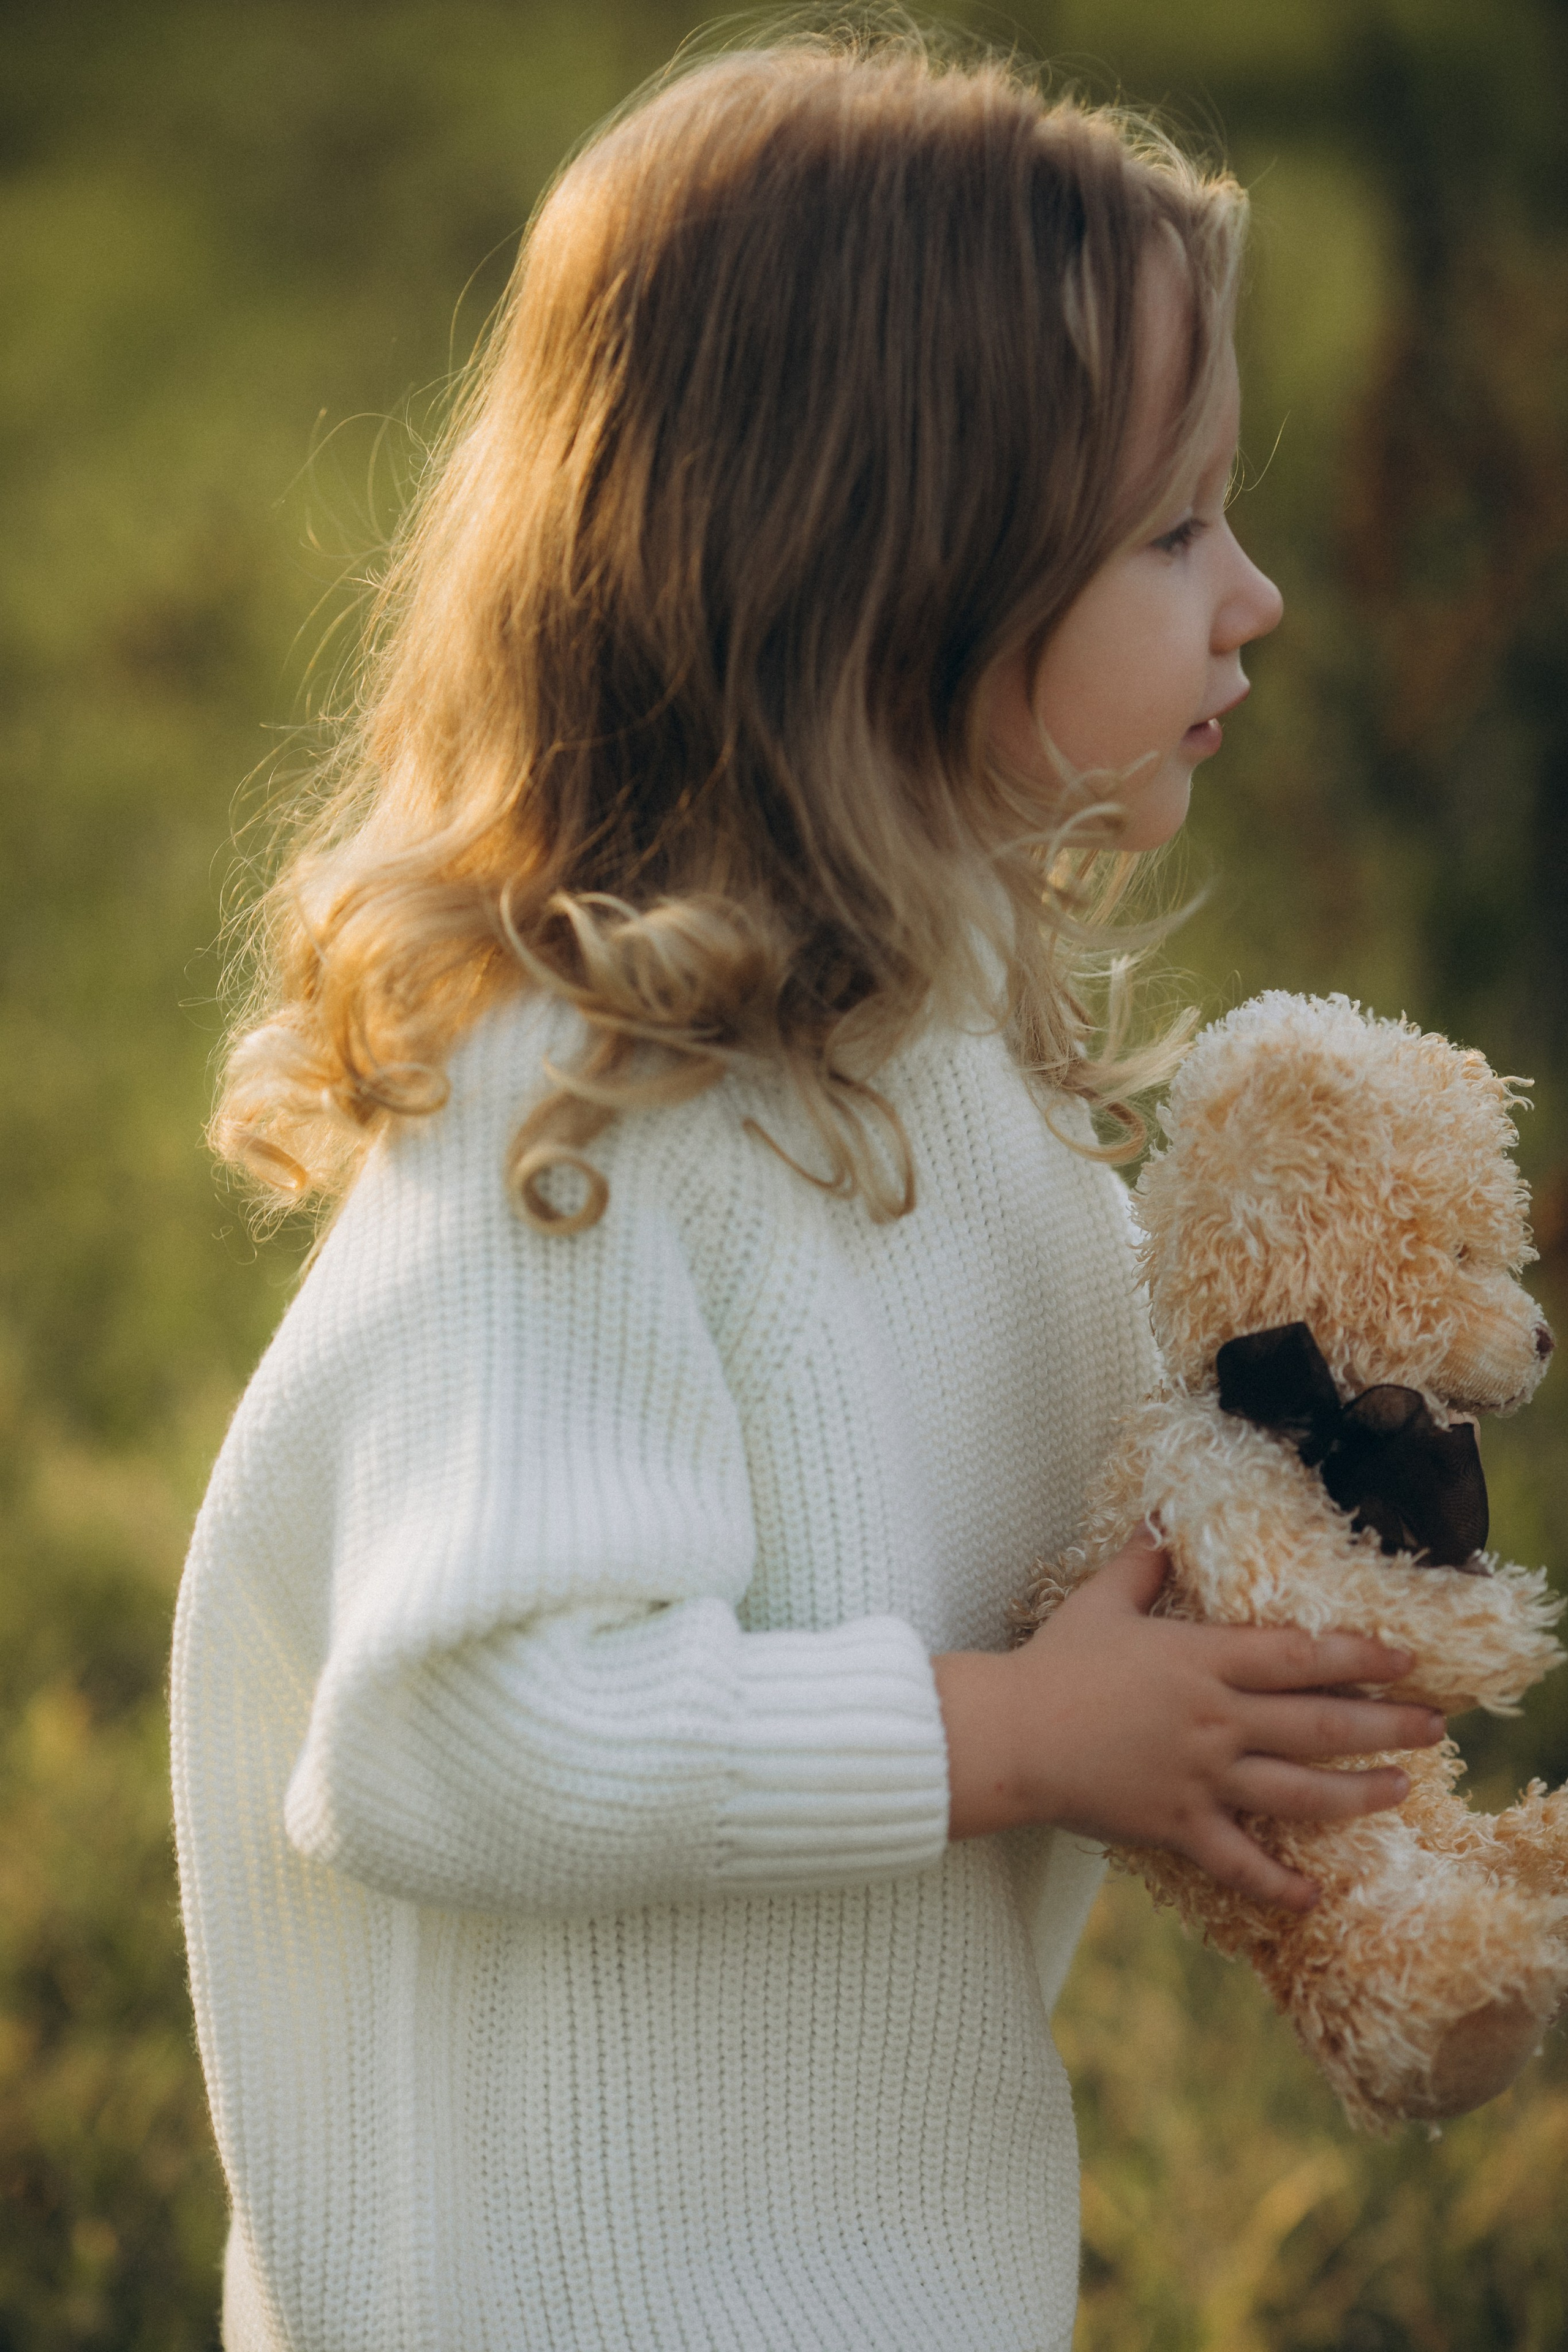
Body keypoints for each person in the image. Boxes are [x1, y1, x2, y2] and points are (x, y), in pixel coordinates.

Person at [172, 32, 1445, 2352]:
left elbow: (1031, 1552)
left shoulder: (945, 1061)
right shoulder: (586, 1109)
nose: (1252, 597)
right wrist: (1017, 1739)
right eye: (1172, 534)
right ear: (895, 584)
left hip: (876, 2236)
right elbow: (457, 1731)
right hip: (565, 2287)